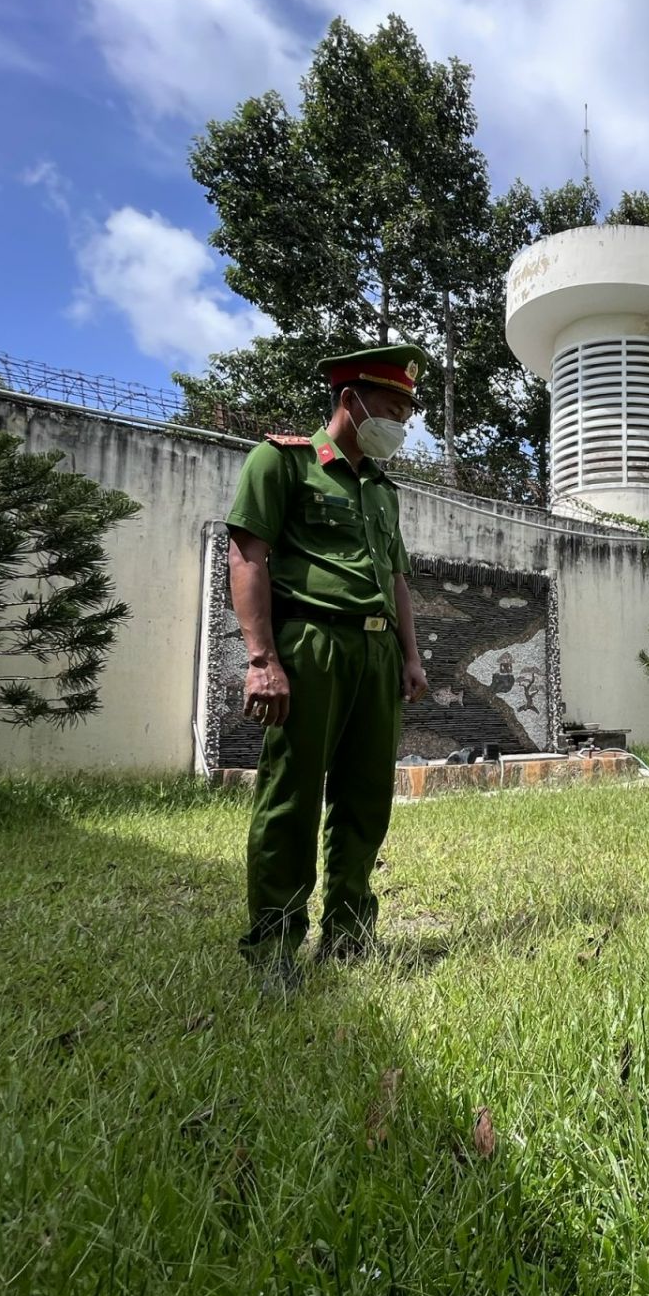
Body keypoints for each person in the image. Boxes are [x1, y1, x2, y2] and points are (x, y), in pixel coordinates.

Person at [225, 344, 432, 993]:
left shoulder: (382, 490)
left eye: (406, 413)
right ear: (351, 400)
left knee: (366, 797)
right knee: (291, 796)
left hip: (377, 654)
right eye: (392, 408)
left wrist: (410, 655)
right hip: (311, 644)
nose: (400, 424)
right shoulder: (282, 462)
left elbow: (396, 578)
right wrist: (263, 659)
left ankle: (349, 932)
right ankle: (275, 946)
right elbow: (247, 557)